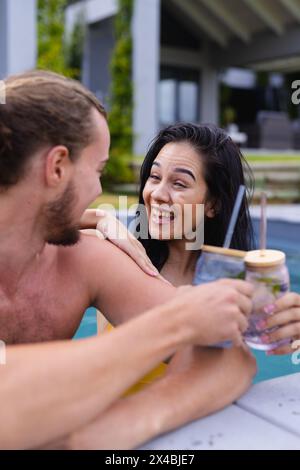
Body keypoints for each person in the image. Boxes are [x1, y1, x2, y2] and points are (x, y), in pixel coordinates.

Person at [0, 71, 255, 449]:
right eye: (98, 170)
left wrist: (124, 424)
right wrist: (177, 323)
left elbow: (231, 356)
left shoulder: (86, 256)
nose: (101, 191)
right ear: (57, 167)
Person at [83, 123, 300, 357]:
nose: (157, 194)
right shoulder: (115, 258)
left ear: (213, 205)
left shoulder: (236, 291)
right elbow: (40, 232)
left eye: (179, 183)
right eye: (155, 177)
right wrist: (98, 218)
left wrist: (291, 334)